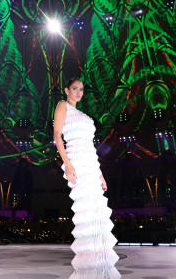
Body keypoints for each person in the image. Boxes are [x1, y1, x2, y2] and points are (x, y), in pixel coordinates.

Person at [54, 77, 119, 273]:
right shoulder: (62, 105)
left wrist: (100, 174)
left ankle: (100, 267)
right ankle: (89, 268)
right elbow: (57, 136)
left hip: (90, 165)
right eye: (75, 88)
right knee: (86, 212)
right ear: (67, 90)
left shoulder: (83, 114)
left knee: (98, 213)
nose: (78, 92)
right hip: (76, 162)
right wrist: (67, 163)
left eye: (81, 89)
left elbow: (90, 148)